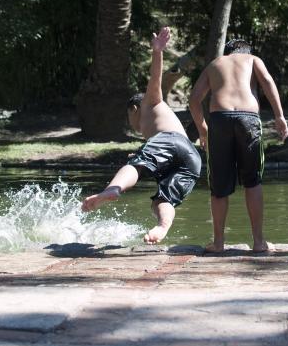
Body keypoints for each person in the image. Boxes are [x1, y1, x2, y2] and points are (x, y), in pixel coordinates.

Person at [82, 27, 201, 245]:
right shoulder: (155, 125)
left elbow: (155, 78)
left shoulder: (149, 103)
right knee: (162, 200)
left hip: (170, 140)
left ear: (134, 109)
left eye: (129, 117)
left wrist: (157, 52)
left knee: (135, 165)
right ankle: (162, 227)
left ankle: (112, 190)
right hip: (192, 158)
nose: (131, 123)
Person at [189, 39, 288, 253]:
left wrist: (203, 129)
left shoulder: (215, 63)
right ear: (246, 50)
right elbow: (268, 82)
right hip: (248, 119)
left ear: (227, 53)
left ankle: (218, 243)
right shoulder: (252, 59)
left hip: (219, 119)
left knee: (219, 186)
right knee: (253, 181)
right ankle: (259, 242)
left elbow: (194, 99)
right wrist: (279, 116)